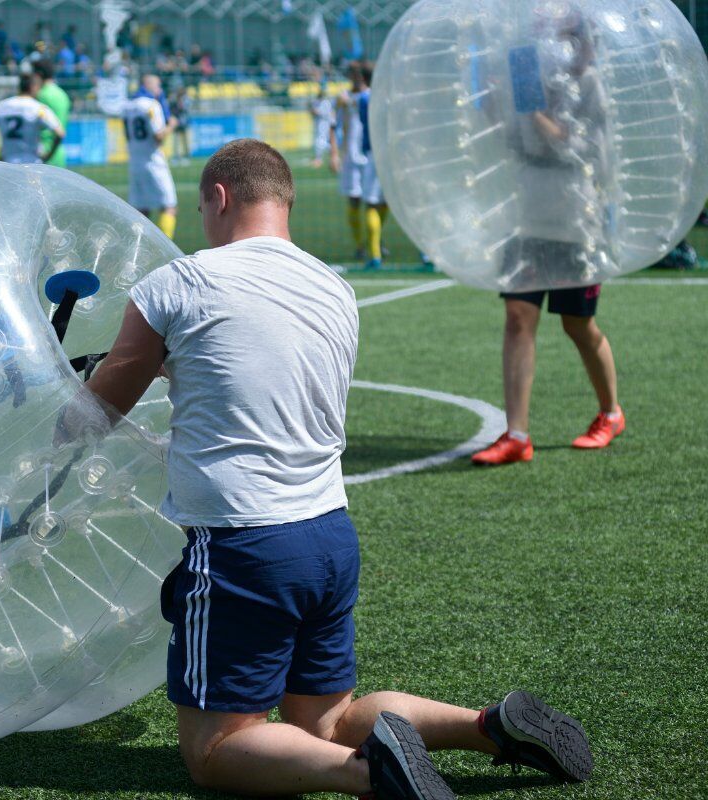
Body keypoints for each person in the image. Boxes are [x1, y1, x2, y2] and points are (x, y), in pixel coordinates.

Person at [63, 138, 593, 798]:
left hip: (243, 546)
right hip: (329, 538)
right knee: (330, 720)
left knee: (216, 748)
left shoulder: (177, 283)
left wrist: (46, 394)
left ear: (220, 198)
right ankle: (488, 725)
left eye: (203, 208)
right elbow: (255, 369)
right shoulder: (333, 289)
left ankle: (369, 773)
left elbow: (92, 416)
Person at [472, 4, 623, 465]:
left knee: (578, 324)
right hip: (528, 212)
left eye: (569, 37)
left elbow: (569, 142)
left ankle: (611, 412)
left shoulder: (593, 85)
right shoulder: (530, 78)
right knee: (519, 316)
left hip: (575, 216)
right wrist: (500, 101)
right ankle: (516, 433)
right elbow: (512, 138)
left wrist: (531, 109)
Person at [330, 61, 388, 270]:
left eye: (356, 73)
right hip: (353, 157)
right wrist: (334, 153)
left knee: (378, 203)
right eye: (350, 73)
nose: (354, 77)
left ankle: (375, 244)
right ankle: (362, 245)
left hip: (372, 155)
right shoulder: (343, 98)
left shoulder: (367, 97)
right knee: (357, 201)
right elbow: (332, 124)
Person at [120, 74, 179, 239]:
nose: (160, 90)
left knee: (141, 212)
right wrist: (172, 126)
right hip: (153, 162)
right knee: (169, 206)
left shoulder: (126, 106)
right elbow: (158, 136)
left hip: (135, 163)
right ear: (149, 86)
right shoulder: (151, 105)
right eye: (158, 86)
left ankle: (138, 248)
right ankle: (166, 246)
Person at [0, 72, 64, 165]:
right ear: (33, 87)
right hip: (32, 164)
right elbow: (60, 133)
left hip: (7, 163)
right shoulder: (39, 108)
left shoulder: (0, 107)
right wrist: (48, 156)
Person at [34, 60, 71, 168]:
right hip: (58, 152)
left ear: (38, 75)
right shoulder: (62, 94)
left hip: (43, 152)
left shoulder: (41, 95)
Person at [311, 84, 335, 169]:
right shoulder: (317, 101)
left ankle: (319, 159)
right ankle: (328, 155)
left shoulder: (326, 102)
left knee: (320, 141)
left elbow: (323, 113)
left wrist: (315, 111)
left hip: (324, 124)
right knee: (319, 140)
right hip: (318, 123)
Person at [170, 86, 191, 166]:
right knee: (176, 141)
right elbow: (171, 108)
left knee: (185, 141)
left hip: (184, 122)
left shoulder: (186, 99)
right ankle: (176, 157)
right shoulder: (174, 99)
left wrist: (180, 101)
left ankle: (186, 156)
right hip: (177, 122)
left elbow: (184, 109)